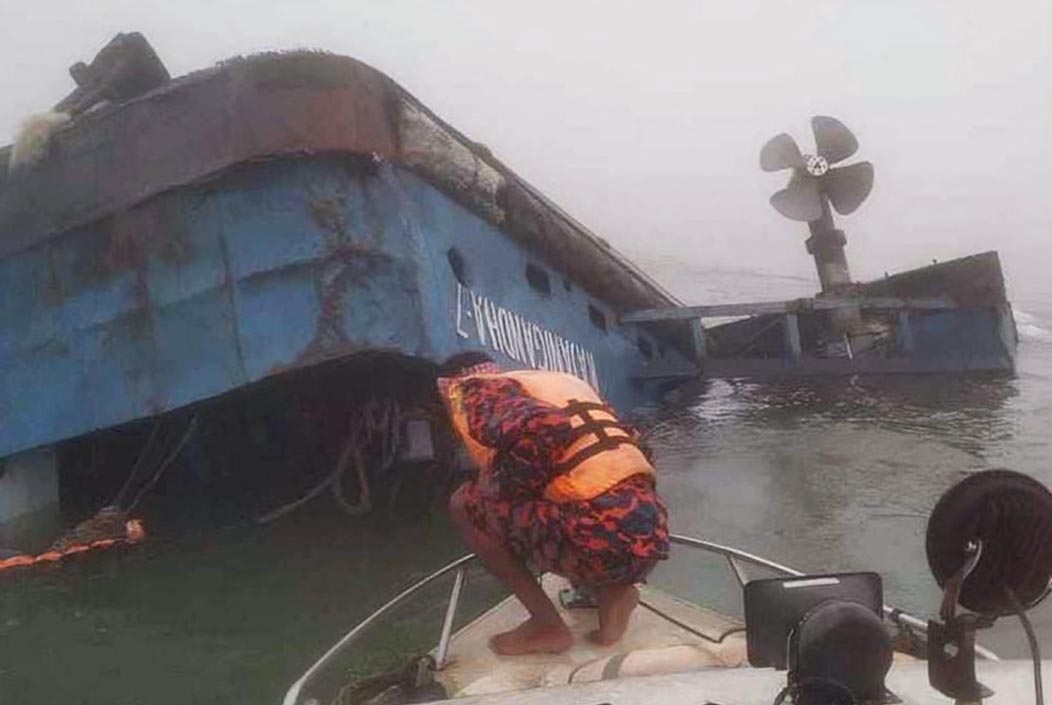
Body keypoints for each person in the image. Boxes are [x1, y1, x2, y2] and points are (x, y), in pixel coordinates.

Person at [437, 351, 669, 655]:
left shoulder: (475, 390)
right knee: (574, 497)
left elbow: (545, 427)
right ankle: (615, 596)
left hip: (596, 541)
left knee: (464, 504)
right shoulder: (558, 384)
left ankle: (546, 625)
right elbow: (636, 445)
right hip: (651, 534)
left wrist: (506, 487)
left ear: (451, 384)